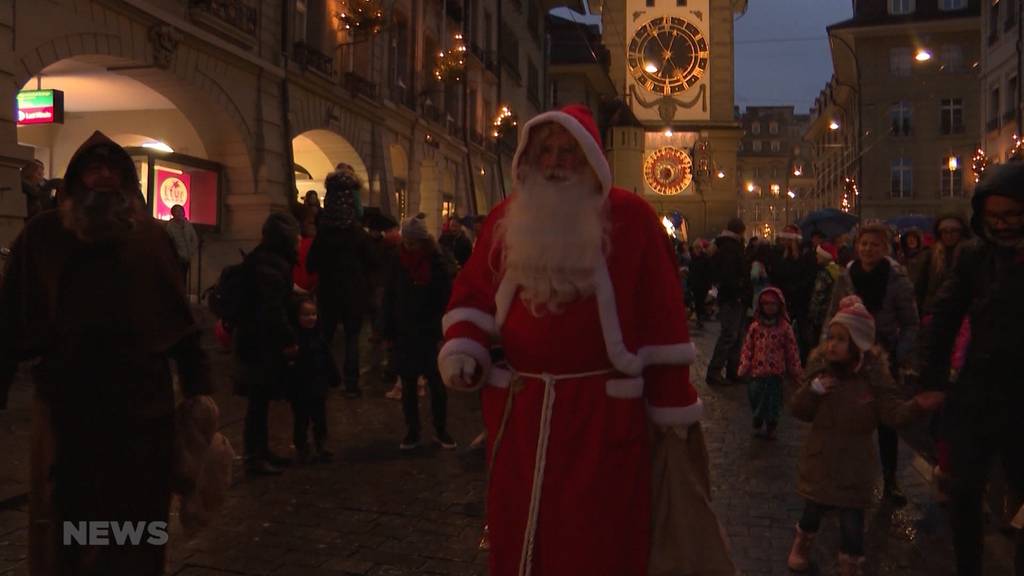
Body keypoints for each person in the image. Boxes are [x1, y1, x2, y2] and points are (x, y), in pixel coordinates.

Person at [438, 105, 702, 575]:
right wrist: (464, 344)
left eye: (568, 152)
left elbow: (663, 317)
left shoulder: (632, 217)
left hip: (602, 416)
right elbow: (475, 291)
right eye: (546, 152)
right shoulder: (507, 217)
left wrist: (672, 409)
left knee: (594, 541)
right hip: (521, 412)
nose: (556, 162)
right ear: (530, 159)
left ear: (591, 159)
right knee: (519, 532)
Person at [0, 132, 212, 573]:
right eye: (93, 168)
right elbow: (10, 317)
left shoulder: (152, 240)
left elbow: (179, 321)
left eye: (112, 169)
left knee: (137, 522)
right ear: (76, 180)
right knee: (70, 521)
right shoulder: (44, 236)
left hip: (142, 409)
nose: (102, 176)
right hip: (70, 406)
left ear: (126, 182)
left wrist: (198, 389)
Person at [919, 162, 1024, 576]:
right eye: (994, 217)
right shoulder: (973, 257)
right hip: (978, 390)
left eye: (1012, 215)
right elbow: (943, 315)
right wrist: (931, 379)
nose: (1001, 225)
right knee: (962, 490)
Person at [787, 296, 943, 575]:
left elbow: (892, 413)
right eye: (831, 337)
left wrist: (917, 405)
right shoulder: (820, 372)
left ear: (857, 345)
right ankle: (802, 545)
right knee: (812, 511)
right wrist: (814, 391)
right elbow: (798, 409)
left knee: (852, 524)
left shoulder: (874, 379)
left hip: (855, 465)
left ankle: (850, 565)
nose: (831, 344)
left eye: (841, 339)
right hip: (820, 458)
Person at [825, 222, 919, 507]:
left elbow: (910, 322)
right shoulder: (846, 276)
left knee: (885, 421)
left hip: (883, 355)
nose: (868, 249)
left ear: (885, 248)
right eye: (864, 244)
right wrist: (826, 351)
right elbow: (832, 314)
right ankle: (839, 480)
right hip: (849, 355)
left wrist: (898, 355)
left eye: (875, 244)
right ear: (858, 246)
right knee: (844, 419)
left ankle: (890, 480)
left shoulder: (897, 279)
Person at [235, 212, 302, 476]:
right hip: (259, 343)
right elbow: (272, 308)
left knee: (260, 400)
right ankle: (253, 456)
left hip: (257, 340)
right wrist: (288, 338)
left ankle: (261, 451)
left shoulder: (268, 259)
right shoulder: (271, 265)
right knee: (257, 401)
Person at [381, 213, 455, 450]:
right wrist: (387, 330)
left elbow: (444, 299)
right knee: (409, 384)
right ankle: (412, 431)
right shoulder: (397, 260)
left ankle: (441, 430)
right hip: (405, 330)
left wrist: (442, 333)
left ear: (423, 241)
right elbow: (390, 296)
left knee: (436, 384)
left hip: (430, 331)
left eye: (414, 242)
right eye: (407, 241)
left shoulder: (437, 261)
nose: (409, 246)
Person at [307, 166, 374, 398]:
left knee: (325, 336)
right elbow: (371, 262)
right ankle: (351, 383)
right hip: (353, 292)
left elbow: (311, 264)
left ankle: (323, 378)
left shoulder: (324, 233)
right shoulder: (357, 233)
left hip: (328, 292)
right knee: (352, 338)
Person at [737, 287, 802, 440]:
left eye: (773, 304)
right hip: (757, 372)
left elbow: (791, 350)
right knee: (755, 396)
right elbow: (748, 347)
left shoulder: (785, 328)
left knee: (774, 403)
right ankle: (758, 417)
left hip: (776, 373)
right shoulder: (755, 327)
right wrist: (744, 364)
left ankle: (771, 425)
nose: (770, 307)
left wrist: (795, 370)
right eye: (766, 304)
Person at [286, 295, 338, 464]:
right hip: (300, 386)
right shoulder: (294, 339)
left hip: (318, 384)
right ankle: (302, 446)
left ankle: (321, 444)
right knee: (301, 419)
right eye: (306, 315)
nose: (311, 318)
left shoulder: (319, 337)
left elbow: (327, 357)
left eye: (313, 314)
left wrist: (333, 376)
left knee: (320, 417)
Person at [707, 217, 750, 386]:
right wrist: (739, 289)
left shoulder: (723, 245)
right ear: (740, 231)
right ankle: (715, 371)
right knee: (730, 335)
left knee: (736, 335)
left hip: (731, 295)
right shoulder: (731, 248)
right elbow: (730, 274)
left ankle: (733, 370)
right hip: (733, 296)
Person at [770, 224, 817, 360]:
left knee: (804, 333)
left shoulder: (806, 254)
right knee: (782, 331)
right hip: (785, 298)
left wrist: (797, 288)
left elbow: (809, 276)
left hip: (802, 299)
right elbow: (776, 274)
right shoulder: (779, 254)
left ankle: (804, 360)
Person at [911, 214, 970, 316]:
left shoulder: (970, 254)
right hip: (934, 311)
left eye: (954, 231)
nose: (949, 235)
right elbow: (920, 287)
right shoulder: (930, 256)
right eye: (944, 231)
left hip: (964, 312)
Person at [807, 246, 840, 342]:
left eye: (819, 254)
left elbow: (818, 296)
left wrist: (812, 314)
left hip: (821, 316)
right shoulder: (837, 270)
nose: (816, 256)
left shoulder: (824, 273)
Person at [166, 204, 200, 289]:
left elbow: (194, 239)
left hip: (188, 256)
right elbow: (169, 242)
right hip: (177, 257)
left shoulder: (187, 224)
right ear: (173, 214)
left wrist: (191, 252)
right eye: (176, 212)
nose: (179, 213)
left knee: (184, 277)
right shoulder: (170, 227)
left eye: (180, 211)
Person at [688, 239, 712, 328]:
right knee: (698, 301)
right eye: (696, 248)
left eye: (698, 248)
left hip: (702, 283)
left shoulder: (704, 258)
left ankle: (700, 317)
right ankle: (700, 318)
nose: (697, 249)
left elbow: (708, 271)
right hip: (696, 283)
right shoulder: (694, 258)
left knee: (700, 301)